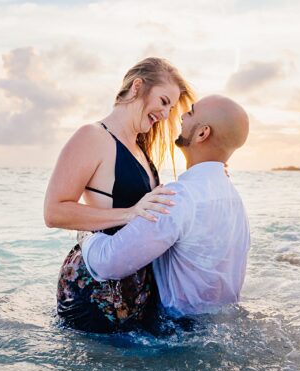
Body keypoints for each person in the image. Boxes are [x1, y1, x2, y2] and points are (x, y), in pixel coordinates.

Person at [44, 57, 194, 333]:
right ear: (137, 86)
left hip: (132, 287)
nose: (165, 113)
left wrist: (211, 172)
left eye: (170, 107)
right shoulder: (92, 137)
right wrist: (130, 212)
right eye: (163, 101)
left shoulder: (139, 148)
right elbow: (54, 212)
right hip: (96, 289)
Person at [81, 95, 250, 320]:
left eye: (190, 113)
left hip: (179, 330)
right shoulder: (234, 199)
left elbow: (109, 263)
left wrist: (85, 234)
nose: (181, 116)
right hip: (219, 324)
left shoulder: (179, 198)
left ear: (202, 133)